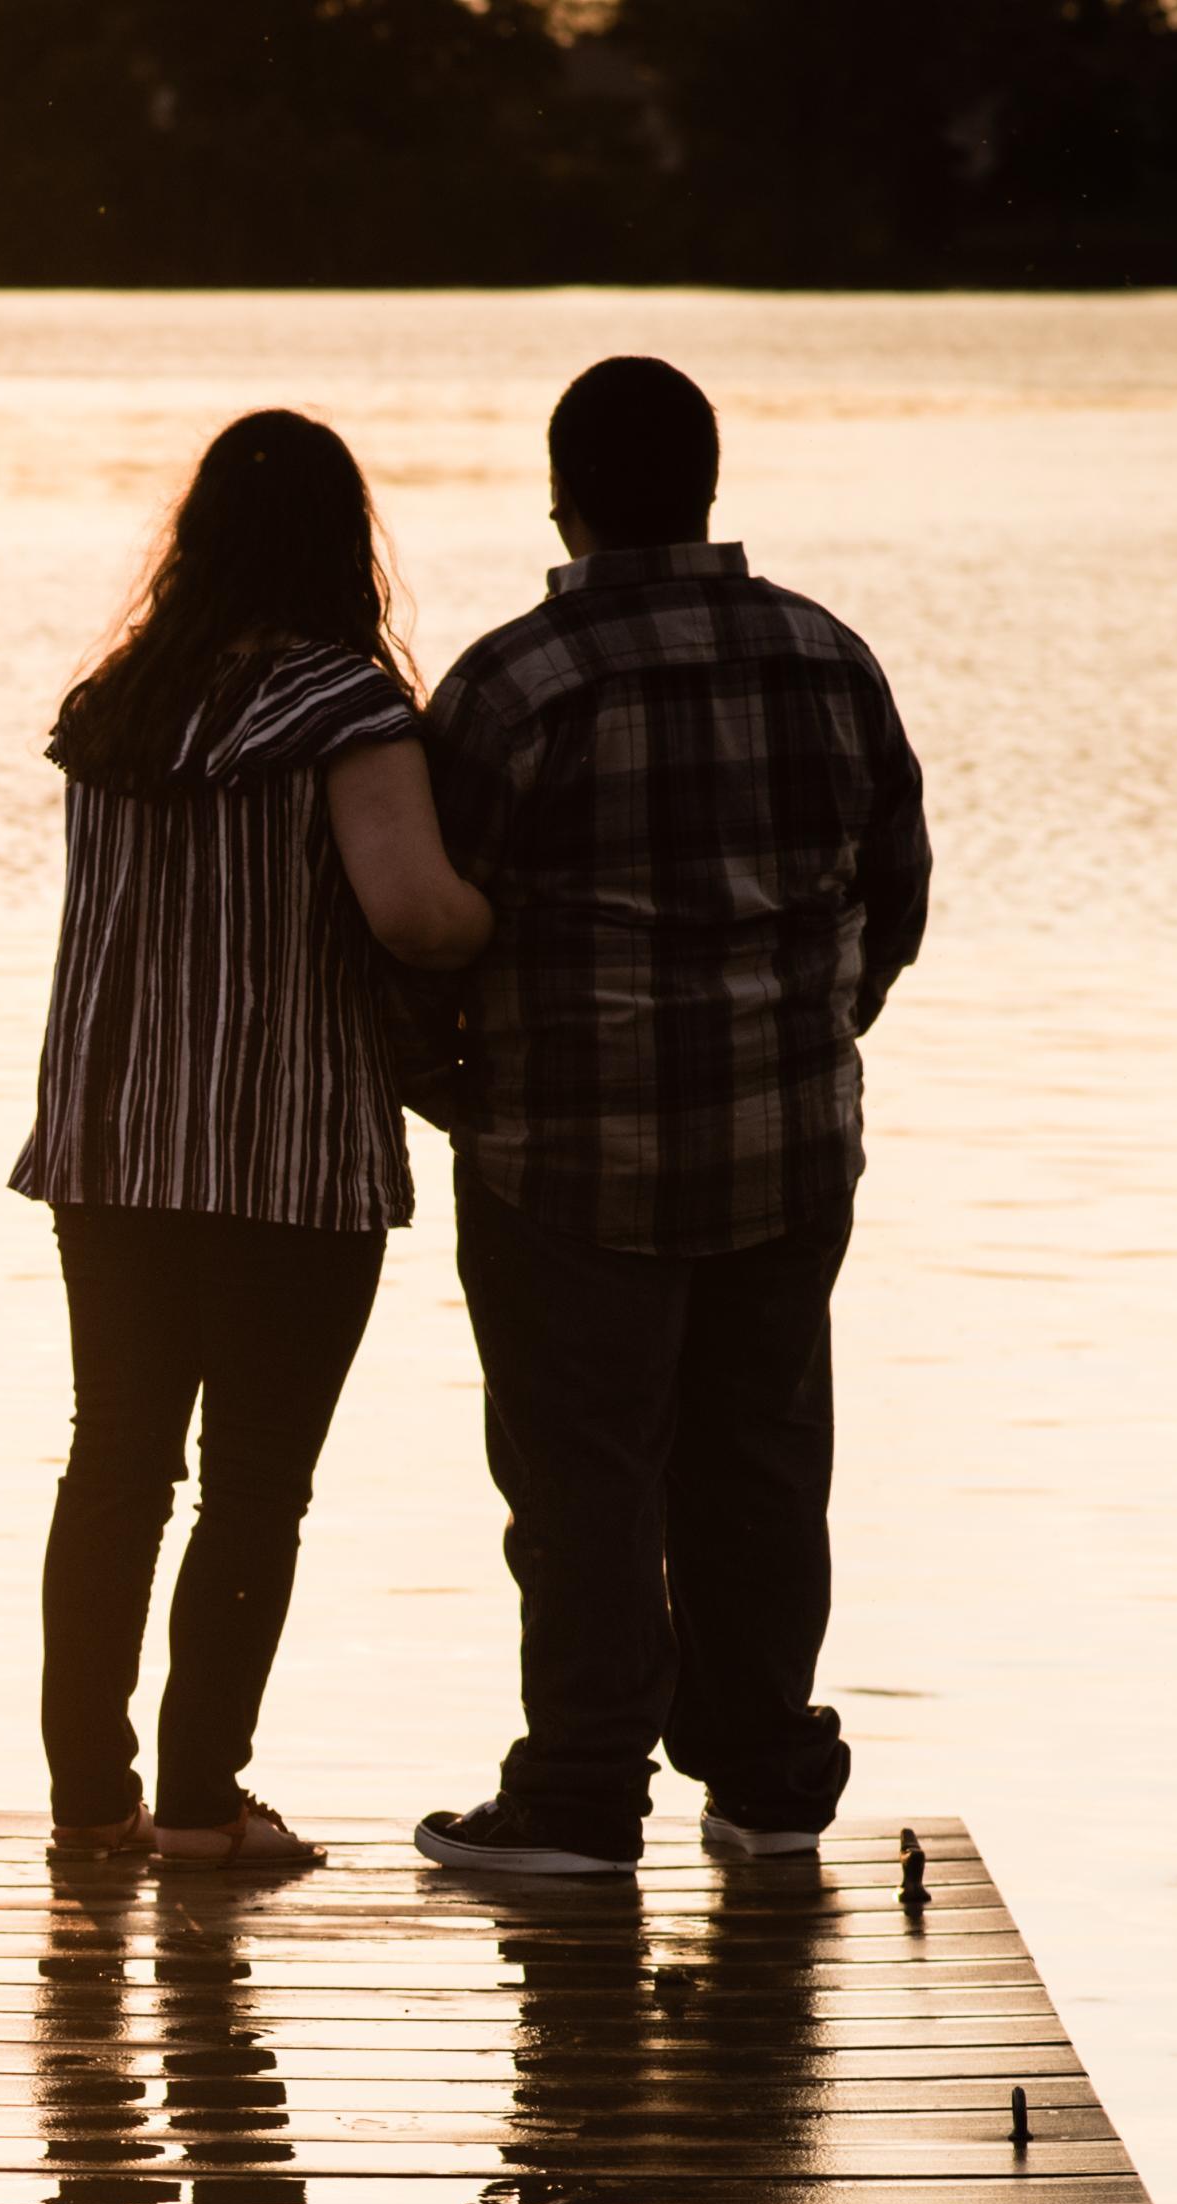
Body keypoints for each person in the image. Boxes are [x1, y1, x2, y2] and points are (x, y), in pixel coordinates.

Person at [406, 356, 930, 1879]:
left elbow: (425, 927)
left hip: (565, 1160)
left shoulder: (517, 682)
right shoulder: (830, 660)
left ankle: (578, 1796)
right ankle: (766, 1786)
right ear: (707, 484)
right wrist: (817, 1040)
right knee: (760, 1466)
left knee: (584, 1481)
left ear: (563, 497)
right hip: (786, 1147)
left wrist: (455, 1094)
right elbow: (891, 895)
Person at [14, 410, 491, 1867]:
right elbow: (413, 914)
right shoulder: (342, 706)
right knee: (253, 1488)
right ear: (340, 547)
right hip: (285, 1158)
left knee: (115, 1464)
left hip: (114, 1149)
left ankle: (92, 1801)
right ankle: (207, 1808)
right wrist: (503, 915)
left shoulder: (117, 706)